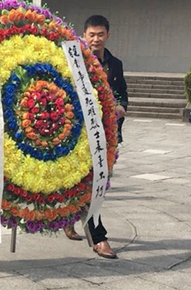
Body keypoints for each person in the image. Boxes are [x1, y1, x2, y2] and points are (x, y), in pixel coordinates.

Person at [64, 15, 125, 260]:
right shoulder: (73, 61)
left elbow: (122, 94)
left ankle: (70, 217)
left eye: (100, 34)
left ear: (107, 35)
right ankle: (98, 237)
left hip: (107, 136)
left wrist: (120, 107)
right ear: (84, 34)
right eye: (91, 34)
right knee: (91, 188)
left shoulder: (115, 64)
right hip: (79, 137)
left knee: (96, 186)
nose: (96, 39)